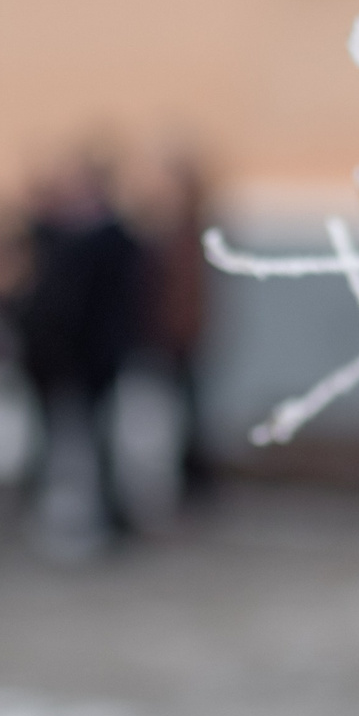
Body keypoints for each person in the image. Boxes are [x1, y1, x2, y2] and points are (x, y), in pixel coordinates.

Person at [13, 157, 143, 557]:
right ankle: (75, 510)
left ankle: (102, 514)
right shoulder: (59, 237)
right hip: (62, 356)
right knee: (62, 436)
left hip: (91, 355)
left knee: (94, 437)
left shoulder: (106, 241)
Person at [147, 150, 217, 502]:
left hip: (180, 335)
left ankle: (194, 480)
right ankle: (189, 479)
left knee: (186, 410)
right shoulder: (175, 229)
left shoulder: (188, 232)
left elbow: (188, 291)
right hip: (176, 334)